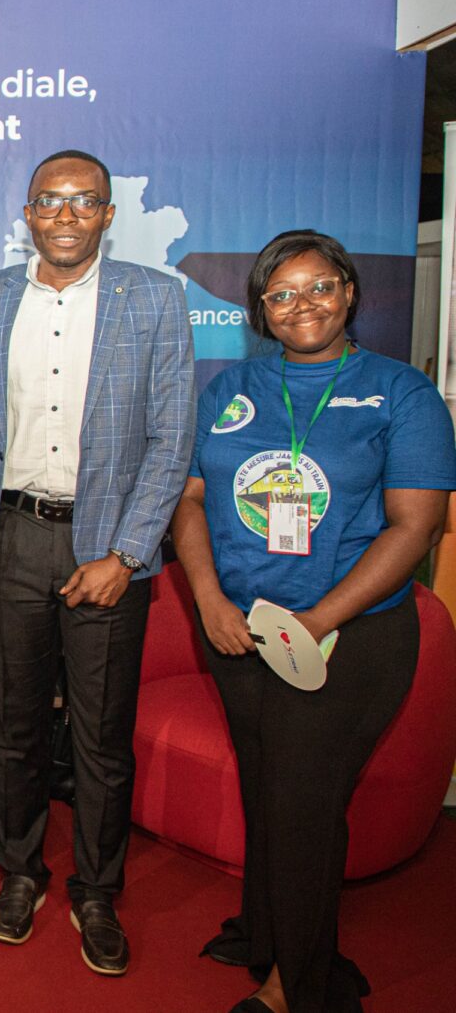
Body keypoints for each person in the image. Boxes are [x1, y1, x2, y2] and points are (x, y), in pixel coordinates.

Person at [173, 230, 456, 1013]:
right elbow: (189, 499)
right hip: (238, 628)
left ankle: (295, 985)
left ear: (349, 292)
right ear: (261, 308)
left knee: (302, 806)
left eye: (320, 286)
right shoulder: (231, 388)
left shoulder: (402, 392)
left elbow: (416, 527)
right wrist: (208, 598)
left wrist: (315, 620)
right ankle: (266, 931)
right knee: (269, 787)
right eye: (283, 293)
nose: (303, 304)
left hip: (347, 637)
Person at [0, 150, 195, 975]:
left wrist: (128, 552)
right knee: (15, 726)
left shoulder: (155, 297)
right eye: (50, 200)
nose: (65, 215)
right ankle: (20, 872)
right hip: (10, 536)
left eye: (83, 201)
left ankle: (97, 890)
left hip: (108, 544)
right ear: (27, 214)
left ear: (107, 213)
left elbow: (172, 440)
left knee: (101, 735)